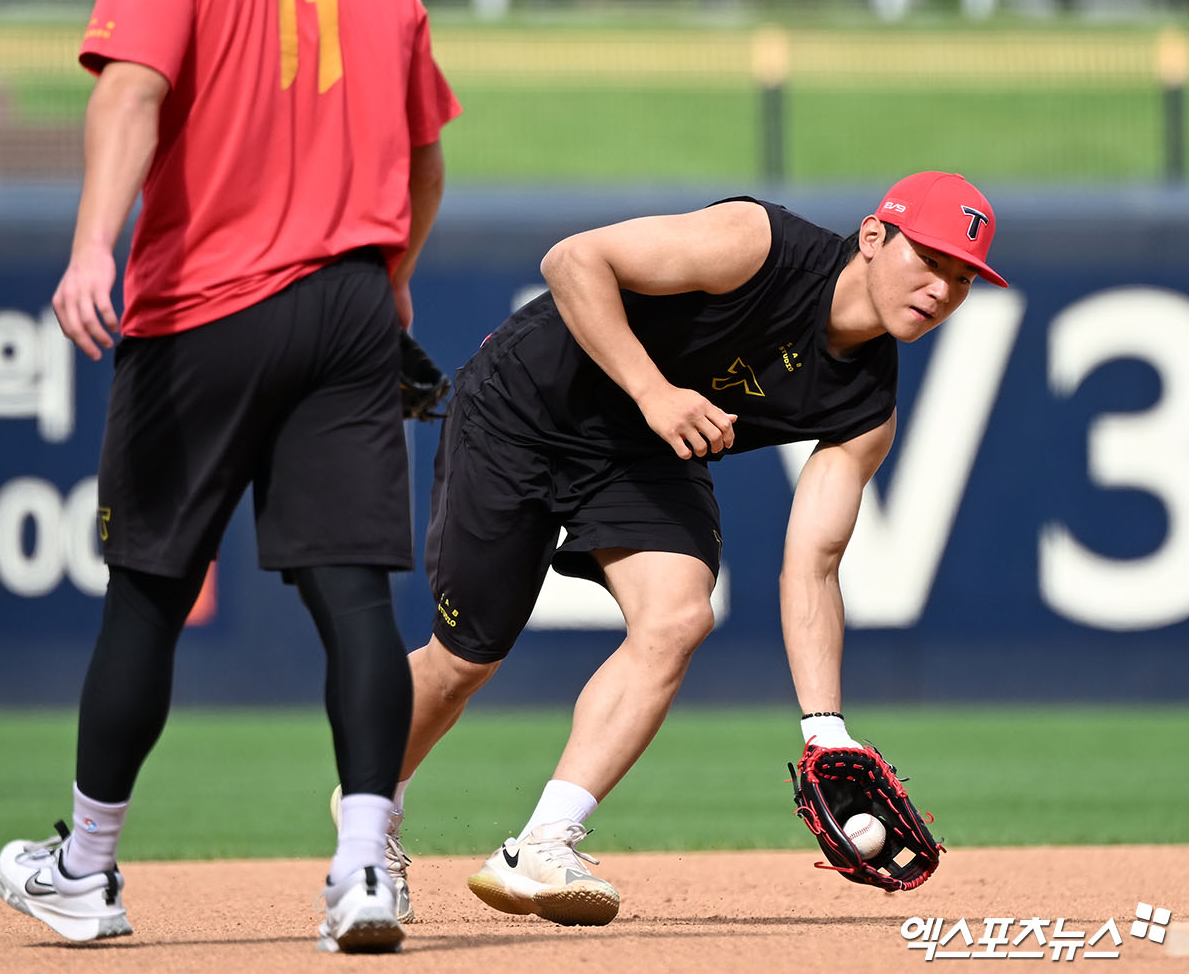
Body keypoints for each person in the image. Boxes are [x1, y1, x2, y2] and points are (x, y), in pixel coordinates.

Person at [0, 0, 460, 955]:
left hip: (204, 300)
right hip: (354, 304)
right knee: (354, 597)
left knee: (148, 590)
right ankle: (367, 867)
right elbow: (425, 160)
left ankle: (86, 872)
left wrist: (92, 246)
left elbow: (130, 91)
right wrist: (391, 285)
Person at [338, 170, 1006, 926]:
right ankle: (371, 818)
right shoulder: (761, 245)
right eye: (930, 258)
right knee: (465, 658)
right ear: (875, 236)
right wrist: (656, 393)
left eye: (963, 278)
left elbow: (813, 563)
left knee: (680, 616)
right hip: (526, 404)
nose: (941, 289)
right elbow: (570, 261)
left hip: (643, 450)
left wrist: (825, 729)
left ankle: (544, 842)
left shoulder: (866, 410)